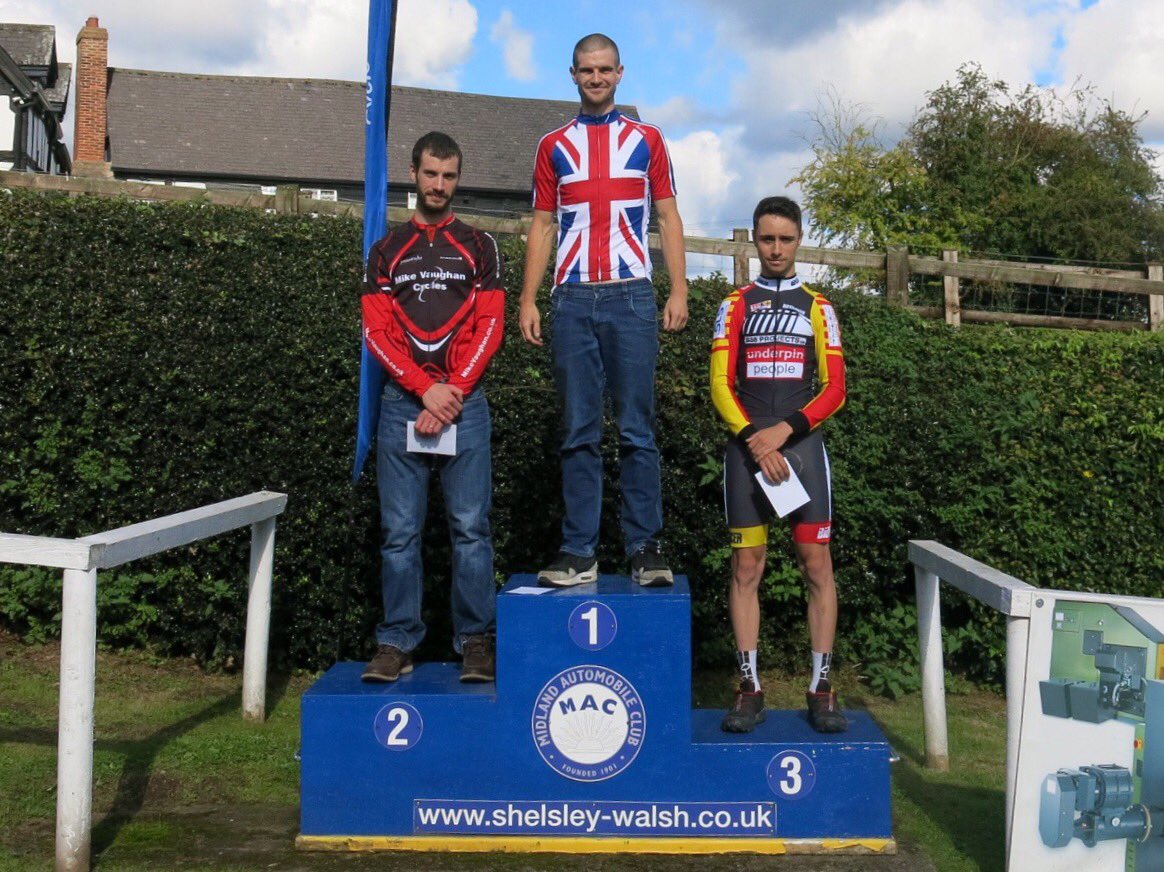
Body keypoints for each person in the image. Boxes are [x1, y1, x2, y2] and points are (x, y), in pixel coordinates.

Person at [519, 32, 688, 588]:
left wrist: (679, 289)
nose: (595, 78)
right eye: (586, 70)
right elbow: (542, 225)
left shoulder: (647, 139)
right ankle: (578, 550)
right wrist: (528, 297)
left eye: (604, 70)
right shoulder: (553, 145)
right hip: (571, 298)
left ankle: (645, 548)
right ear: (573, 75)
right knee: (579, 431)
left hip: (632, 295)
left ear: (620, 73)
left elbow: (667, 217)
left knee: (637, 428)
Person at [360, 132, 504, 684]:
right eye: (430, 174)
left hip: (464, 403)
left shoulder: (480, 244)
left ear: (457, 179)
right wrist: (424, 390)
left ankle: (475, 641)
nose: (439, 185)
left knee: (471, 528)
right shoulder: (386, 248)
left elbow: (490, 327)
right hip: (405, 403)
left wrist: (452, 393)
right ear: (413, 175)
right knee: (400, 532)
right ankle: (397, 640)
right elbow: (377, 332)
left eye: (448, 176)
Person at [709, 196, 848, 733]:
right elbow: (720, 384)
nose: (775, 249)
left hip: (801, 449)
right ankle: (749, 687)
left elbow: (835, 389)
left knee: (817, 565)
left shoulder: (820, 307)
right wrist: (754, 440)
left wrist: (784, 433)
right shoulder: (733, 303)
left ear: (798, 242)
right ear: (754, 240)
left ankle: (821, 686)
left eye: (785, 239)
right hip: (747, 451)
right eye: (766, 239)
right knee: (747, 568)